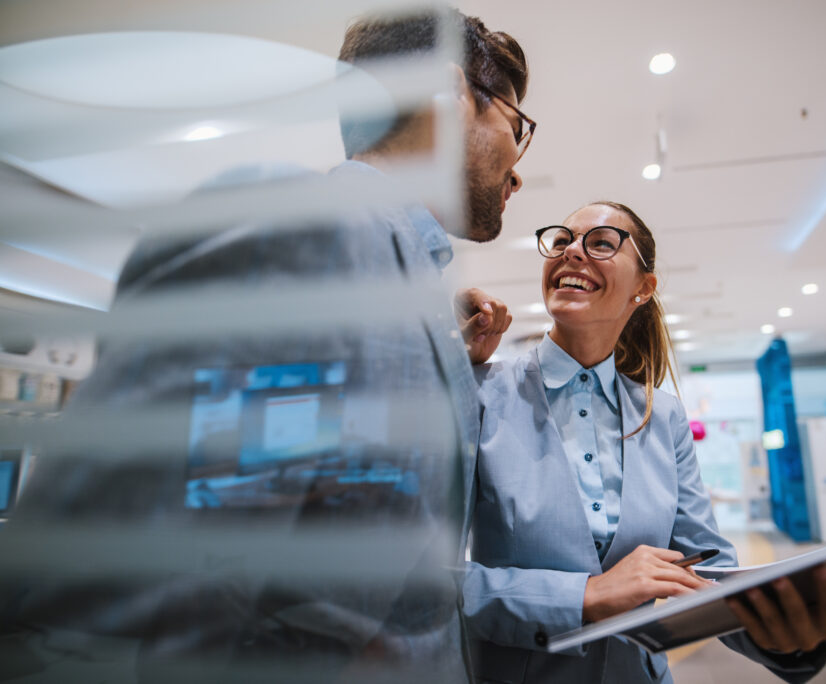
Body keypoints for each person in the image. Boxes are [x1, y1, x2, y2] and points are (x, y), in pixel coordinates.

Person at [2, 8, 526, 683]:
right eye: (517, 126)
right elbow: (100, 612)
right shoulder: (309, 231)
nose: (516, 165)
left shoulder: (396, 284)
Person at [462, 201, 826, 683]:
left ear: (643, 288)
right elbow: (426, 582)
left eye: (601, 243)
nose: (572, 253)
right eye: (563, 241)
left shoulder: (663, 414)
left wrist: (781, 631)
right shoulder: (480, 393)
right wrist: (584, 596)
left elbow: (707, 570)